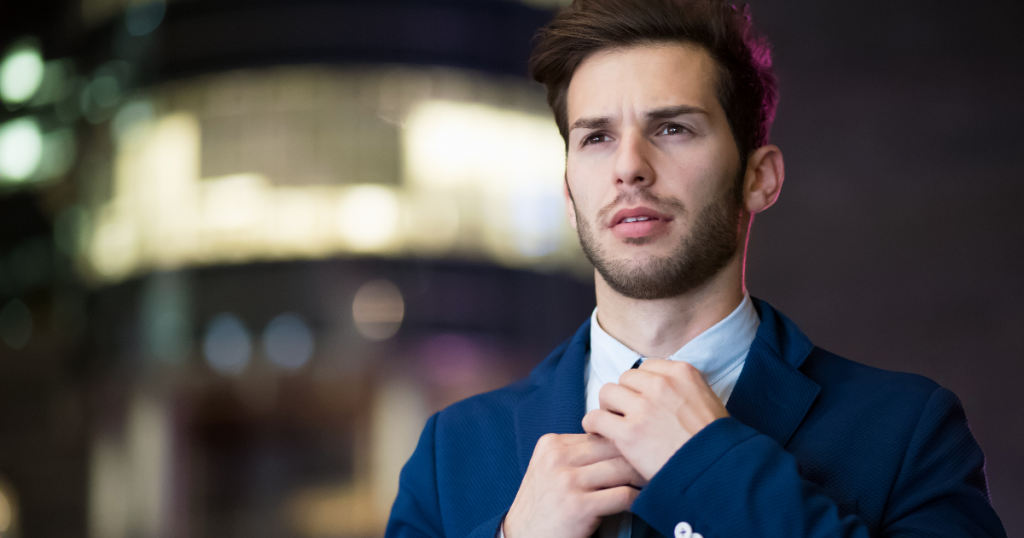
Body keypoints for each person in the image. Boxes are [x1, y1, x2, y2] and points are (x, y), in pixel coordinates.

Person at [385, 0, 1007, 536]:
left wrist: (712, 468)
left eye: (673, 128)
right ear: (570, 195)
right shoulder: (451, 453)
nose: (629, 166)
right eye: (597, 137)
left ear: (758, 178)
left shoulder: (907, 433)